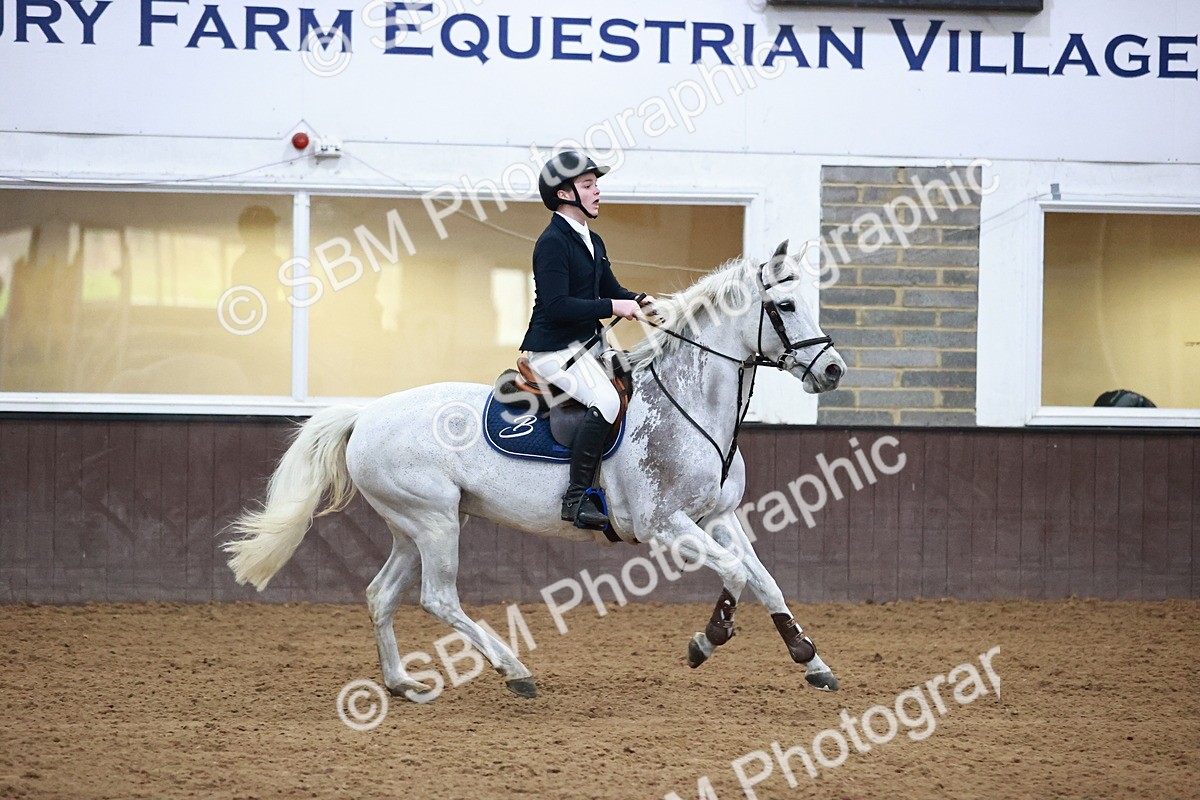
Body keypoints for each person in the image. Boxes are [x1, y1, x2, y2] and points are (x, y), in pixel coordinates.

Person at [519, 151, 655, 530]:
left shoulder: (592, 238)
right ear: (564, 194)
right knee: (607, 399)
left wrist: (646, 304)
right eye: (588, 185)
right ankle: (577, 498)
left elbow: (613, 290)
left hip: (586, 348)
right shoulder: (552, 242)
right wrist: (615, 304)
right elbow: (559, 305)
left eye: (596, 185)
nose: (597, 192)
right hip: (553, 351)